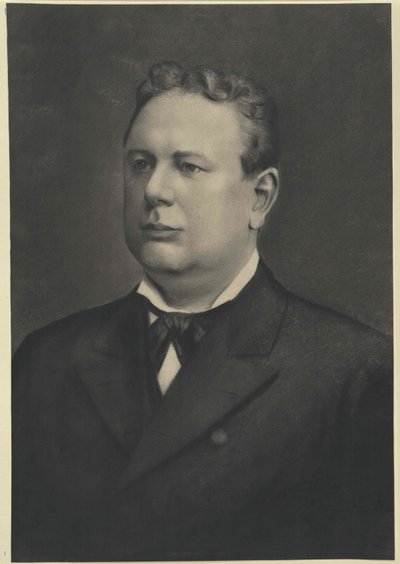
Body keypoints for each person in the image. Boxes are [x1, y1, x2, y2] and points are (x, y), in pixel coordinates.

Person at [12, 61, 393, 561]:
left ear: (260, 198)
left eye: (188, 166)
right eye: (141, 163)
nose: (154, 190)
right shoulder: (46, 358)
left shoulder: (355, 372)